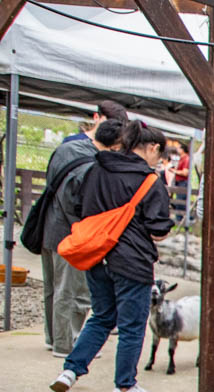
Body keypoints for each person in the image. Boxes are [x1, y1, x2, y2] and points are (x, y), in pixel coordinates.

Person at [50, 120, 171, 392]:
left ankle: (70, 371)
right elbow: (158, 229)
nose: (159, 159)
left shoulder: (96, 168)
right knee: (132, 325)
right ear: (152, 147)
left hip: (97, 254)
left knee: (102, 316)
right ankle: (125, 387)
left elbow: (79, 205)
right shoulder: (150, 180)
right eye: (160, 153)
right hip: (132, 261)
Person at [41, 99, 128, 354]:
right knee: (72, 290)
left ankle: (53, 337)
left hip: (50, 226)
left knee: (52, 287)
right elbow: (81, 203)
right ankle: (67, 343)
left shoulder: (66, 147)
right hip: (72, 232)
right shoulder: (92, 162)